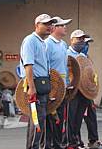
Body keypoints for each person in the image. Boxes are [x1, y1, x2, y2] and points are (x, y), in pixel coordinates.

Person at [20, 13, 56, 149]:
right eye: (45, 24)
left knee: (40, 120)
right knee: (37, 121)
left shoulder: (42, 42)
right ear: (36, 25)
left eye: (50, 24)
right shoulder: (30, 40)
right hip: (35, 85)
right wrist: (31, 87)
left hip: (43, 85)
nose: (49, 26)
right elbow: (28, 65)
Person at [44, 16, 72, 149]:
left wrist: (67, 83)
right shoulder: (47, 44)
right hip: (52, 86)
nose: (65, 27)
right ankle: (49, 144)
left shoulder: (64, 44)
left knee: (60, 117)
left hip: (63, 85)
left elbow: (65, 67)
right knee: (51, 117)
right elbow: (46, 67)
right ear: (54, 28)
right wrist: (50, 88)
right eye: (62, 25)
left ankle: (58, 143)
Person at [81, 36, 102, 149]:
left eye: (88, 44)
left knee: (91, 116)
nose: (87, 46)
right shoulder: (72, 55)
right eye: (85, 44)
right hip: (77, 92)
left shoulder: (87, 58)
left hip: (88, 92)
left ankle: (93, 141)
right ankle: (75, 142)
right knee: (74, 120)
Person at [66, 29, 90, 149]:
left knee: (79, 117)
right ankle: (70, 141)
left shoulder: (83, 56)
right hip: (72, 91)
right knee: (71, 116)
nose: (81, 41)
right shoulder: (66, 54)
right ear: (72, 40)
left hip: (83, 91)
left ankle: (75, 139)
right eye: (78, 39)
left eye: (82, 39)